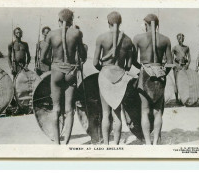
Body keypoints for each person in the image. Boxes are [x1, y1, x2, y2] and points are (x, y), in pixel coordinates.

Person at [40, 8, 87, 144]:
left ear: (58, 20)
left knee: (56, 108)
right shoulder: (77, 33)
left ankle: (57, 142)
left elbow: (43, 58)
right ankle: (66, 142)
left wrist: (54, 65)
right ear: (71, 20)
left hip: (56, 72)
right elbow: (83, 56)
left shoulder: (51, 34)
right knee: (69, 109)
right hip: (70, 72)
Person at [93, 11, 134, 145]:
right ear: (120, 22)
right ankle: (116, 145)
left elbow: (95, 63)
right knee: (117, 113)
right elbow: (128, 66)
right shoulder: (128, 40)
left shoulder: (101, 38)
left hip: (105, 74)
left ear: (108, 22)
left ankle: (106, 144)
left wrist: (104, 70)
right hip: (121, 76)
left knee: (106, 113)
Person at [132, 14, 173, 145]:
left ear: (146, 25)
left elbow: (133, 60)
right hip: (160, 75)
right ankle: (155, 142)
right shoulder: (165, 39)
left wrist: (144, 68)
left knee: (145, 111)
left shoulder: (138, 38)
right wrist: (161, 73)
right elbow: (170, 63)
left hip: (145, 74)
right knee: (157, 111)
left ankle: (148, 143)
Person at [172, 33, 191, 102]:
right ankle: (177, 99)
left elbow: (189, 58)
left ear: (184, 38)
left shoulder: (187, 48)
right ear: (177, 39)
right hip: (177, 67)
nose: (181, 39)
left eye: (182, 38)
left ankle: (184, 98)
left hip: (184, 66)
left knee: (185, 82)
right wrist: (176, 66)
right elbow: (171, 59)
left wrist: (187, 65)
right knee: (177, 82)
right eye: (179, 38)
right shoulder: (174, 48)